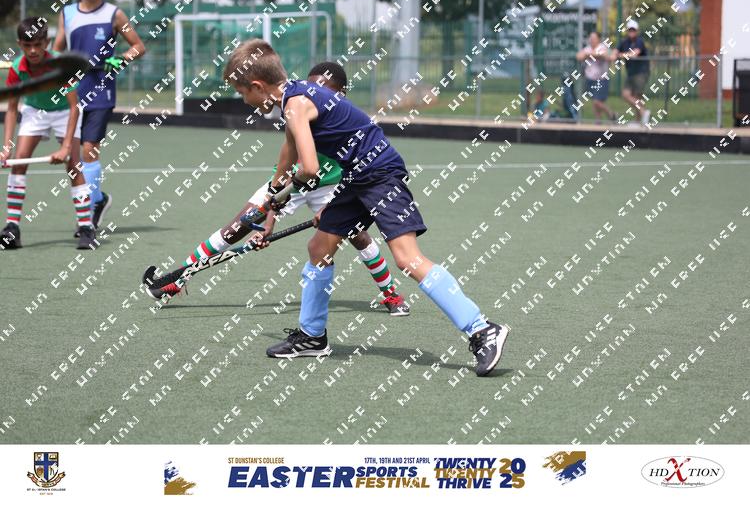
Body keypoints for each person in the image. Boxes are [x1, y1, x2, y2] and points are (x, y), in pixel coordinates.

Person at [224, 39, 509, 376]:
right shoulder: (295, 97)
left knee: (407, 258)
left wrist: (286, 193)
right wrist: (272, 194)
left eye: (242, 93)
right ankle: (312, 336)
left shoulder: (296, 105)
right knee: (319, 248)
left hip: (380, 175)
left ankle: (481, 329)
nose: (244, 101)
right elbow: (290, 150)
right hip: (356, 179)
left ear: (258, 86)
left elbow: (310, 168)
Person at [147, 61, 411, 317]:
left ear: (341, 94)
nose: (315, 93)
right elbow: (286, 170)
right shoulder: (299, 109)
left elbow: (354, 173)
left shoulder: (345, 122)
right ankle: (178, 278)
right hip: (292, 183)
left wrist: (332, 209)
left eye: (325, 89)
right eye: (312, 86)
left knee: (359, 236)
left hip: (332, 186)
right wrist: (267, 222)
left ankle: (390, 294)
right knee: (237, 227)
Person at [53, 0, 146, 233]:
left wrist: (121, 59)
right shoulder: (67, 13)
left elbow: (138, 46)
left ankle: (91, 209)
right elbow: (57, 50)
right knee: (73, 156)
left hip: (101, 91)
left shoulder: (114, 14)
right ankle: (98, 199)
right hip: (73, 92)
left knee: (89, 148)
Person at [1, 18, 95, 249]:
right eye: (27, 45)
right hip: (35, 111)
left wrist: (65, 148)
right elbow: (12, 108)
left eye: (38, 44)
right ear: (19, 44)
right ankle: (12, 228)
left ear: (47, 42)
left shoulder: (61, 66)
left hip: (65, 111)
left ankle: (86, 227)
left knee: (73, 165)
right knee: (19, 161)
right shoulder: (17, 68)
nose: (33, 50)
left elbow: (74, 107)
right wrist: (6, 148)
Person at [576, 31, 615, 123]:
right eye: (591, 38)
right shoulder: (588, 48)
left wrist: (588, 55)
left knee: (596, 101)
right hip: (590, 79)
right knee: (594, 101)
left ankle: (611, 114)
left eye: (594, 38)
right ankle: (598, 121)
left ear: (598, 39)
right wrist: (590, 55)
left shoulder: (602, 47)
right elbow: (579, 56)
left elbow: (604, 55)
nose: (592, 40)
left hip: (601, 79)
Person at [616, 20, 650, 125]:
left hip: (641, 72)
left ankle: (638, 120)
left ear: (637, 31)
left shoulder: (639, 41)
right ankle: (644, 112)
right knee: (626, 94)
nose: (631, 32)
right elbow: (615, 52)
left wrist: (621, 55)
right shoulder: (624, 42)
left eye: (633, 30)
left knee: (637, 96)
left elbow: (635, 54)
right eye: (630, 30)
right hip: (630, 73)